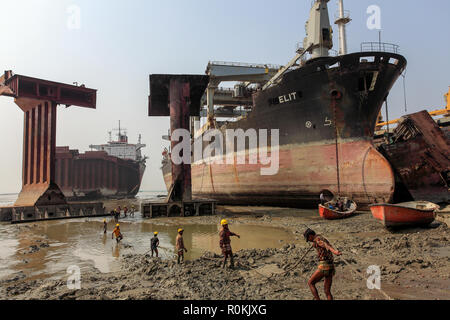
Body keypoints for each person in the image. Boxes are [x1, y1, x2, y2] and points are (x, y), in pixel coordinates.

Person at [304, 228, 341, 300]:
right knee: (327, 291)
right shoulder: (320, 238)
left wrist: (335, 252)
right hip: (331, 267)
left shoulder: (317, 239)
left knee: (310, 283)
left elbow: (325, 245)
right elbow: (327, 244)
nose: (308, 240)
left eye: (308, 238)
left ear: (311, 235)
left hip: (324, 266)